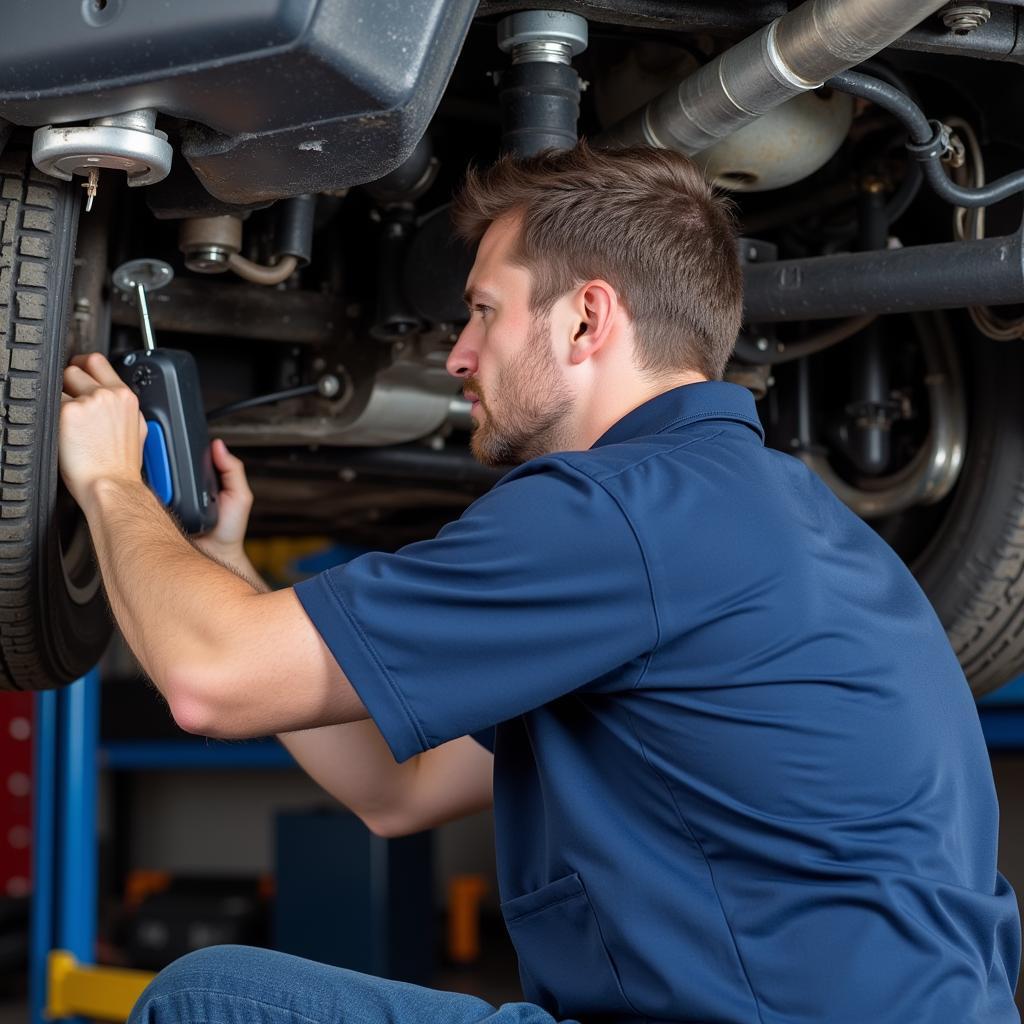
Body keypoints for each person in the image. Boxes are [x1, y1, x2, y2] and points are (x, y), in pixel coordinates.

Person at [59, 143, 1020, 1024]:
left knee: (213, 1002)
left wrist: (107, 479)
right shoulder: (779, 522)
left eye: (482, 309)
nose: (458, 354)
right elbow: (403, 791)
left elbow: (205, 682)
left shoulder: (620, 513)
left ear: (588, 317)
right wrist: (224, 569)